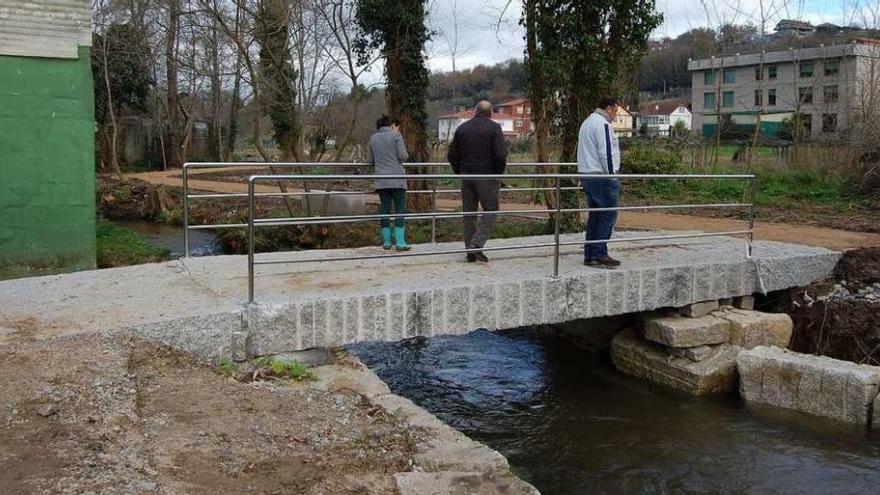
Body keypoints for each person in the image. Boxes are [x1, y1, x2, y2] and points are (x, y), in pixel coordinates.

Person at [447, 101, 508, 263]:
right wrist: (497, 174)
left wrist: (459, 171)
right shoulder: (494, 128)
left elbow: (451, 155)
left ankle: (470, 251)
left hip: (466, 177)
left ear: (475, 111)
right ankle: (476, 245)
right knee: (490, 209)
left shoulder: (462, 128)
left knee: (469, 214)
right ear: (491, 113)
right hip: (487, 176)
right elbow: (501, 155)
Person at [577, 96, 622, 268]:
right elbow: (606, 153)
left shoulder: (587, 122)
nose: (616, 115)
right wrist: (612, 175)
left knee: (595, 215)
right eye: (616, 110)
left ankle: (591, 254)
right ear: (609, 108)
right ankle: (599, 253)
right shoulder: (602, 124)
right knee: (608, 213)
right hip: (600, 175)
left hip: (588, 174)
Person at [368, 115, 410, 251]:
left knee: (385, 210)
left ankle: (386, 241)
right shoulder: (396, 136)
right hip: (397, 179)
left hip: (381, 180)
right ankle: (400, 242)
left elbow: (370, 160)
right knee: (399, 210)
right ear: (390, 124)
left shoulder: (373, 138)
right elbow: (403, 156)